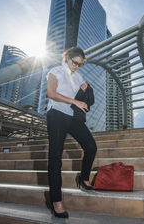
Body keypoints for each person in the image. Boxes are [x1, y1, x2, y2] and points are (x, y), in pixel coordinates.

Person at [46, 47, 97, 218]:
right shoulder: (56, 71)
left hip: (73, 117)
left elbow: (80, 100)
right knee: (55, 158)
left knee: (91, 147)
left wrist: (83, 91)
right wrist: (75, 100)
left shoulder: (79, 76)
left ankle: (83, 178)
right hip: (57, 114)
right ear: (67, 58)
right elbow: (51, 93)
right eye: (74, 62)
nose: (76, 66)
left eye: (80, 64)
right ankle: (55, 201)